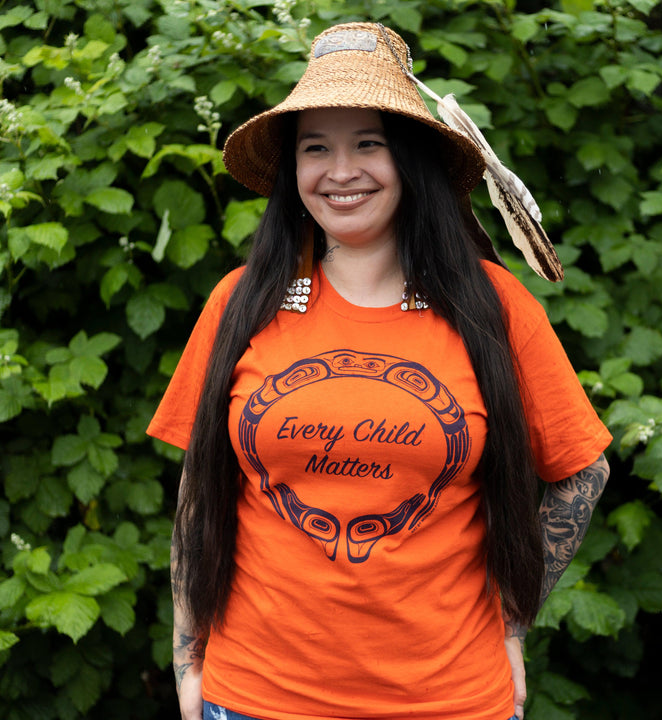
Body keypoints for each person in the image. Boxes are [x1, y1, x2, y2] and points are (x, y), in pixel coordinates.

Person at [147, 22, 612, 720]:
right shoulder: (241, 303)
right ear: (292, 169)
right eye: (315, 148)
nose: (340, 171)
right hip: (255, 698)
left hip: (451, 701)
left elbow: (582, 470)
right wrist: (188, 661)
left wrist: (512, 620)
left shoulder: (492, 307)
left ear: (412, 160)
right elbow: (199, 487)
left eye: (369, 143)